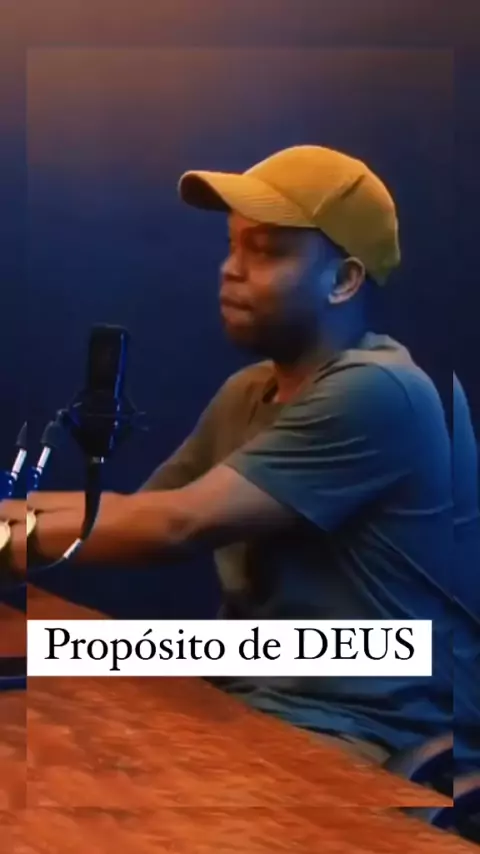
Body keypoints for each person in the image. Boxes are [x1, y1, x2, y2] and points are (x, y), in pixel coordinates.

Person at [1, 145, 460, 765]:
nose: (230, 270)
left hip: (350, 729)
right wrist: (10, 519)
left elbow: (177, 525)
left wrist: (10, 542)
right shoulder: (248, 390)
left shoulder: (379, 392)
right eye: (232, 245)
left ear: (344, 280)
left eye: (265, 251)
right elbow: (133, 513)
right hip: (241, 692)